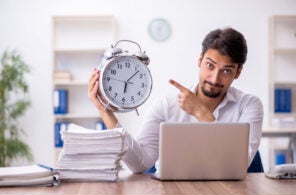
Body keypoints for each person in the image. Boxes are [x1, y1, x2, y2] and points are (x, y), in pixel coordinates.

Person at [88, 27, 264, 173]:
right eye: (210, 65)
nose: (215, 78)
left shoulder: (249, 105)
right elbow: (139, 164)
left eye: (226, 70)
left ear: (238, 72)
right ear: (200, 60)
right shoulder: (166, 106)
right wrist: (105, 111)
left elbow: (239, 165)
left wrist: (201, 113)